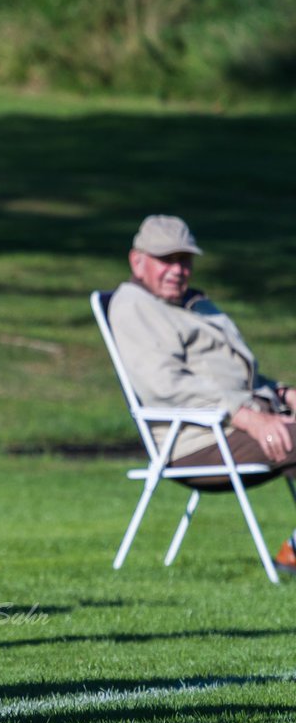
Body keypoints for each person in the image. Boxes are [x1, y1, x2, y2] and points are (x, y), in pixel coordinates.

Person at [109, 214, 296, 572]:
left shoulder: (195, 305)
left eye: (185, 260)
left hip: (238, 424)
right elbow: (166, 385)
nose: (178, 270)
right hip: (199, 442)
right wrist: (249, 417)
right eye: (167, 259)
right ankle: (294, 552)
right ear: (137, 260)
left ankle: (294, 551)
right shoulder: (134, 306)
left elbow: (232, 375)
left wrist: (283, 393)